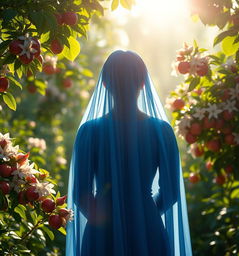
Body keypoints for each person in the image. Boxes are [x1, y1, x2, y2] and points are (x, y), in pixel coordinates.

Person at [66, 50, 193, 256]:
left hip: (102, 235)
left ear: (105, 84)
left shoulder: (89, 132)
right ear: (143, 83)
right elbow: (171, 193)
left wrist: (109, 221)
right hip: (148, 230)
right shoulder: (161, 131)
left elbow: (81, 194)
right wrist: (143, 214)